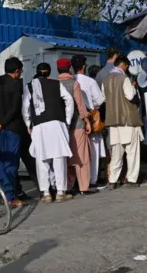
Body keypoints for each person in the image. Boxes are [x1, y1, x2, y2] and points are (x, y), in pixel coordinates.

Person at [23, 62, 75, 203]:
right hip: (57, 123)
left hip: (39, 126)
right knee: (59, 158)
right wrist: (68, 119)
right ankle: (60, 192)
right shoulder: (56, 84)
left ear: (37, 71)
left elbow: (25, 107)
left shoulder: (29, 86)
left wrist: (28, 123)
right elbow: (69, 99)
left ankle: (46, 193)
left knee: (42, 159)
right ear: (49, 72)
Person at [0, 57, 27, 207]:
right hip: (10, 127)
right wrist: (2, 123)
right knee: (11, 162)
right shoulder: (17, 84)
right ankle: (10, 197)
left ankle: (3, 193)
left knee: (2, 161)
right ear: (17, 71)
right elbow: (15, 108)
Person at [102, 56, 143, 189]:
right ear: (123, 65)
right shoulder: (124, 79)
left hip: (113, 122)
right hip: (127, 120)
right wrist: (134, 88)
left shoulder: (106, 80)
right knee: (132, 151)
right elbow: (130, 96)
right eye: (127, 66)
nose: (127, 68)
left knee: (116, 153)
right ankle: (131, 179)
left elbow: (103, 99)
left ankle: (113, 180)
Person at [57, 58, 94, 196]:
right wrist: (87, 121)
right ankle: (84, 187)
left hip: (61, 127)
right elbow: (80, 105)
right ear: (70, 69)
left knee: (66, 156)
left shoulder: (54, 84)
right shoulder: (74, 83)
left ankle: (69, 185)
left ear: (57, 70)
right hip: (77, 124)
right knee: (82, 156)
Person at [73, 55, 106, 189]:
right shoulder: (90, 81)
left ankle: (78, 180)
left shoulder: (70, 80)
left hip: (74, 120)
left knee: (76, 151)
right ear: (84, 67)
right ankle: (92, 180)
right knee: (93, 149)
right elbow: (99, 100)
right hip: (90, 118)